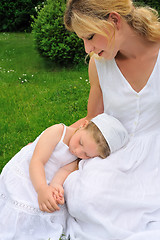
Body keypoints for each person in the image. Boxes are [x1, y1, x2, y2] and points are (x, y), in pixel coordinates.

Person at [62, 0, 160, 239]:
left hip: (156, 154)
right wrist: (54, 135)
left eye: (90, 37)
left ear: (114, 20)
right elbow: (92, 118)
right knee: (86, 199)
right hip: (114, 151)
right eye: (83, 40)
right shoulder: (99, 64)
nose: (87, 49)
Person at [0, 113, 128, 240]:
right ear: (83, 125)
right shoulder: (57, 132)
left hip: (46, 181)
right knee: (19, 204)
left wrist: (55, 186)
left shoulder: (79, 157)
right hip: (29, 171)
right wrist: (42, 189)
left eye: (87, 154)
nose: (77, 151)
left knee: (43, 210)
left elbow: (65, 170)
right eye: (81, 143)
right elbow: (37, 161)